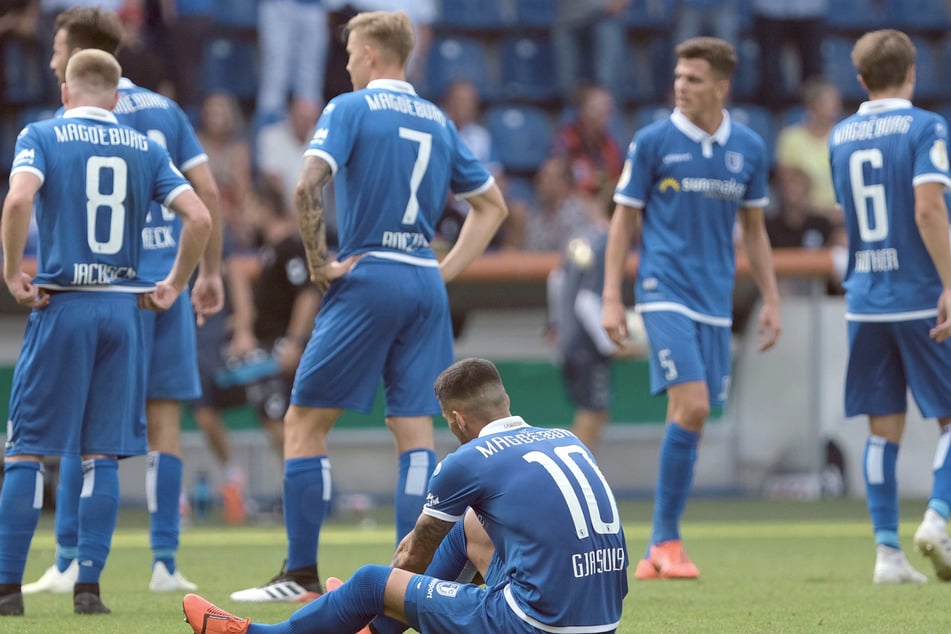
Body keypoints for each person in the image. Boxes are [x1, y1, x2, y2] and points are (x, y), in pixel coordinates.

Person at [228, 10, 508, 603]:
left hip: (368, 270)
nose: (349, 62)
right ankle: (410, 583)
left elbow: (307, 184)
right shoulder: (437, 119)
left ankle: (300, 574)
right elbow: (493, 207)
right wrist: (443, 270)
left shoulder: (348, 108)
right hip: (421, 281)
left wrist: (319, 261)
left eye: (353, 52)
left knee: (304, 422)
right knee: (415, 433)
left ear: (374, 54)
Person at [184, 357, 628, 634]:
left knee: (371, 582)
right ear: (505, 399)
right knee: (472, 524)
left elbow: (413, 559)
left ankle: (265, 633)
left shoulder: (468, 459)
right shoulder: (565, 437)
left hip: (535, 624)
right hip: (602, 618)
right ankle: (364, 625)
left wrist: (376, 593)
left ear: (456, 420)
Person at [0, 49, 211, 617]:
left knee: (25, 451)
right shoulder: (146, 146)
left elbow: (19, 197)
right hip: (124, 311)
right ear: (116, 99)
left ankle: (6, 591)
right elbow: (201, 216)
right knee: (103, 454)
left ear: (66, 92)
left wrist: (11, 270)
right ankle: (89, 590)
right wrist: (173, 281)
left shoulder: (41, 134)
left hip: (63, 302)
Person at [602, 36, 782, 579]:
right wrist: (614, 295)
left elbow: (754, 230)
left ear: (721, 87)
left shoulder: (748, 147)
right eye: (678, 77)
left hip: (715, 301)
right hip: (663, 291)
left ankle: (662, 549)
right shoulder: (653, 141)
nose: (681, 86)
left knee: (691, 417)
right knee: (696, 405)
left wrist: (772, 297)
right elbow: (623, 221)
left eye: (694, 79)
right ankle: (664, 541)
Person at [827, 29, 951, 584]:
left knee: (883, 430)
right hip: (921, 293)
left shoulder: (840, 136)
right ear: (913, 71)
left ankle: (887, 554)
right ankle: (939, 519)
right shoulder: (927, 127)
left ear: (860, 80)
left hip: (866, 298)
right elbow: (928, 211)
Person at [194, 181, 322, 523]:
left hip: (280, 349)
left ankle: (305, 495)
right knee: (263, 418)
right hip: (263, 350)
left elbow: (308, 294)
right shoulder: (269, 250)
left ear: (266, 206)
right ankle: (289, 492)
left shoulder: (290, 246)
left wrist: (295, 342)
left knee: (283, 423)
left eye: (251, 206)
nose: (246, 215)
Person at [548, 201, 644, 453]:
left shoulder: (583, 238)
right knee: (591, 415)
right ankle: (569, 477)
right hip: (587, 344)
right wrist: (611, 345)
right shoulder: (607, 244)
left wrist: (557, 324)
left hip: (572, 339)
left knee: (595, 413)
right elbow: (587, 300)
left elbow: (557, 280)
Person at [775, 76, 843, 223]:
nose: (836, 106)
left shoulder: (842, 137)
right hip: (805, 217)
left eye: (836, 101)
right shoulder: (791, 138)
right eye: (829, 102)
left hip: (840, 217)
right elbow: (789, 188)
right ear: (813, 106)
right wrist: (825, 213)